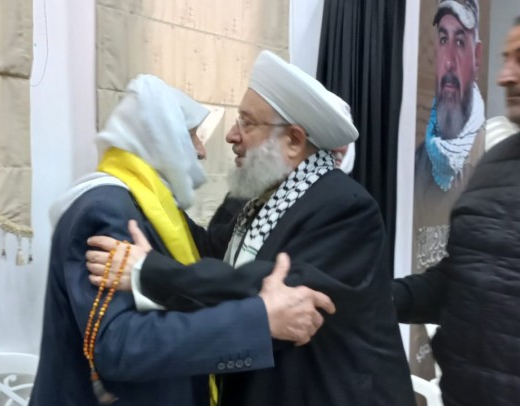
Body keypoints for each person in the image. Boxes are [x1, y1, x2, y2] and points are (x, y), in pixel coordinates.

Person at [88, 51, 415, 406]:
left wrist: (149, 272)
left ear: (294, 140)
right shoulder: (261, 197)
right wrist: (150, 188)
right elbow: (214, 253)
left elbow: (273, 289)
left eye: (247, 123)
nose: (231, 135)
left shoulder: (345, 207)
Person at [30, 74, 335, 406]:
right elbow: (120, 345)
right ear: (159, 138)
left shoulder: (150, 206)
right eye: (191, 136)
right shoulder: (107, 209)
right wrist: (258, 321)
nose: (201, 151)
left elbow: (203, 264)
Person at [393, 1, 520, 404]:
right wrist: (375, 299)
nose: (505, 76)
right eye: (506, 60)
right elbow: (460, 280)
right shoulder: (495, 162)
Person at [413, 0, 487, 271]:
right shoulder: (416, 163)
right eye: (443, 40)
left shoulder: (493, 154)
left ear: (477, 57)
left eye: (460, 42)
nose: (448, 62)